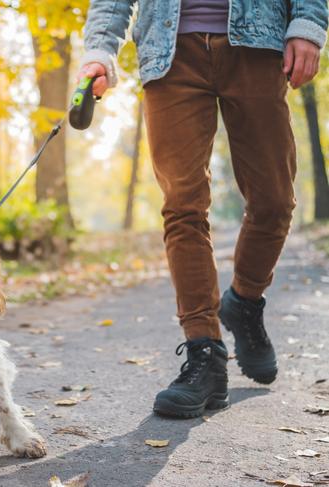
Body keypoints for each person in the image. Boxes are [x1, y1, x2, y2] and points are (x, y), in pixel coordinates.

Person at [78, 0, 328, 418]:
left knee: (274, 200)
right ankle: (204, 351)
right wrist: (100, 50)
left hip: (258, 44)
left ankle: (245, 301)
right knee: (183, 205)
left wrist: (307, 22)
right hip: (169, 52)